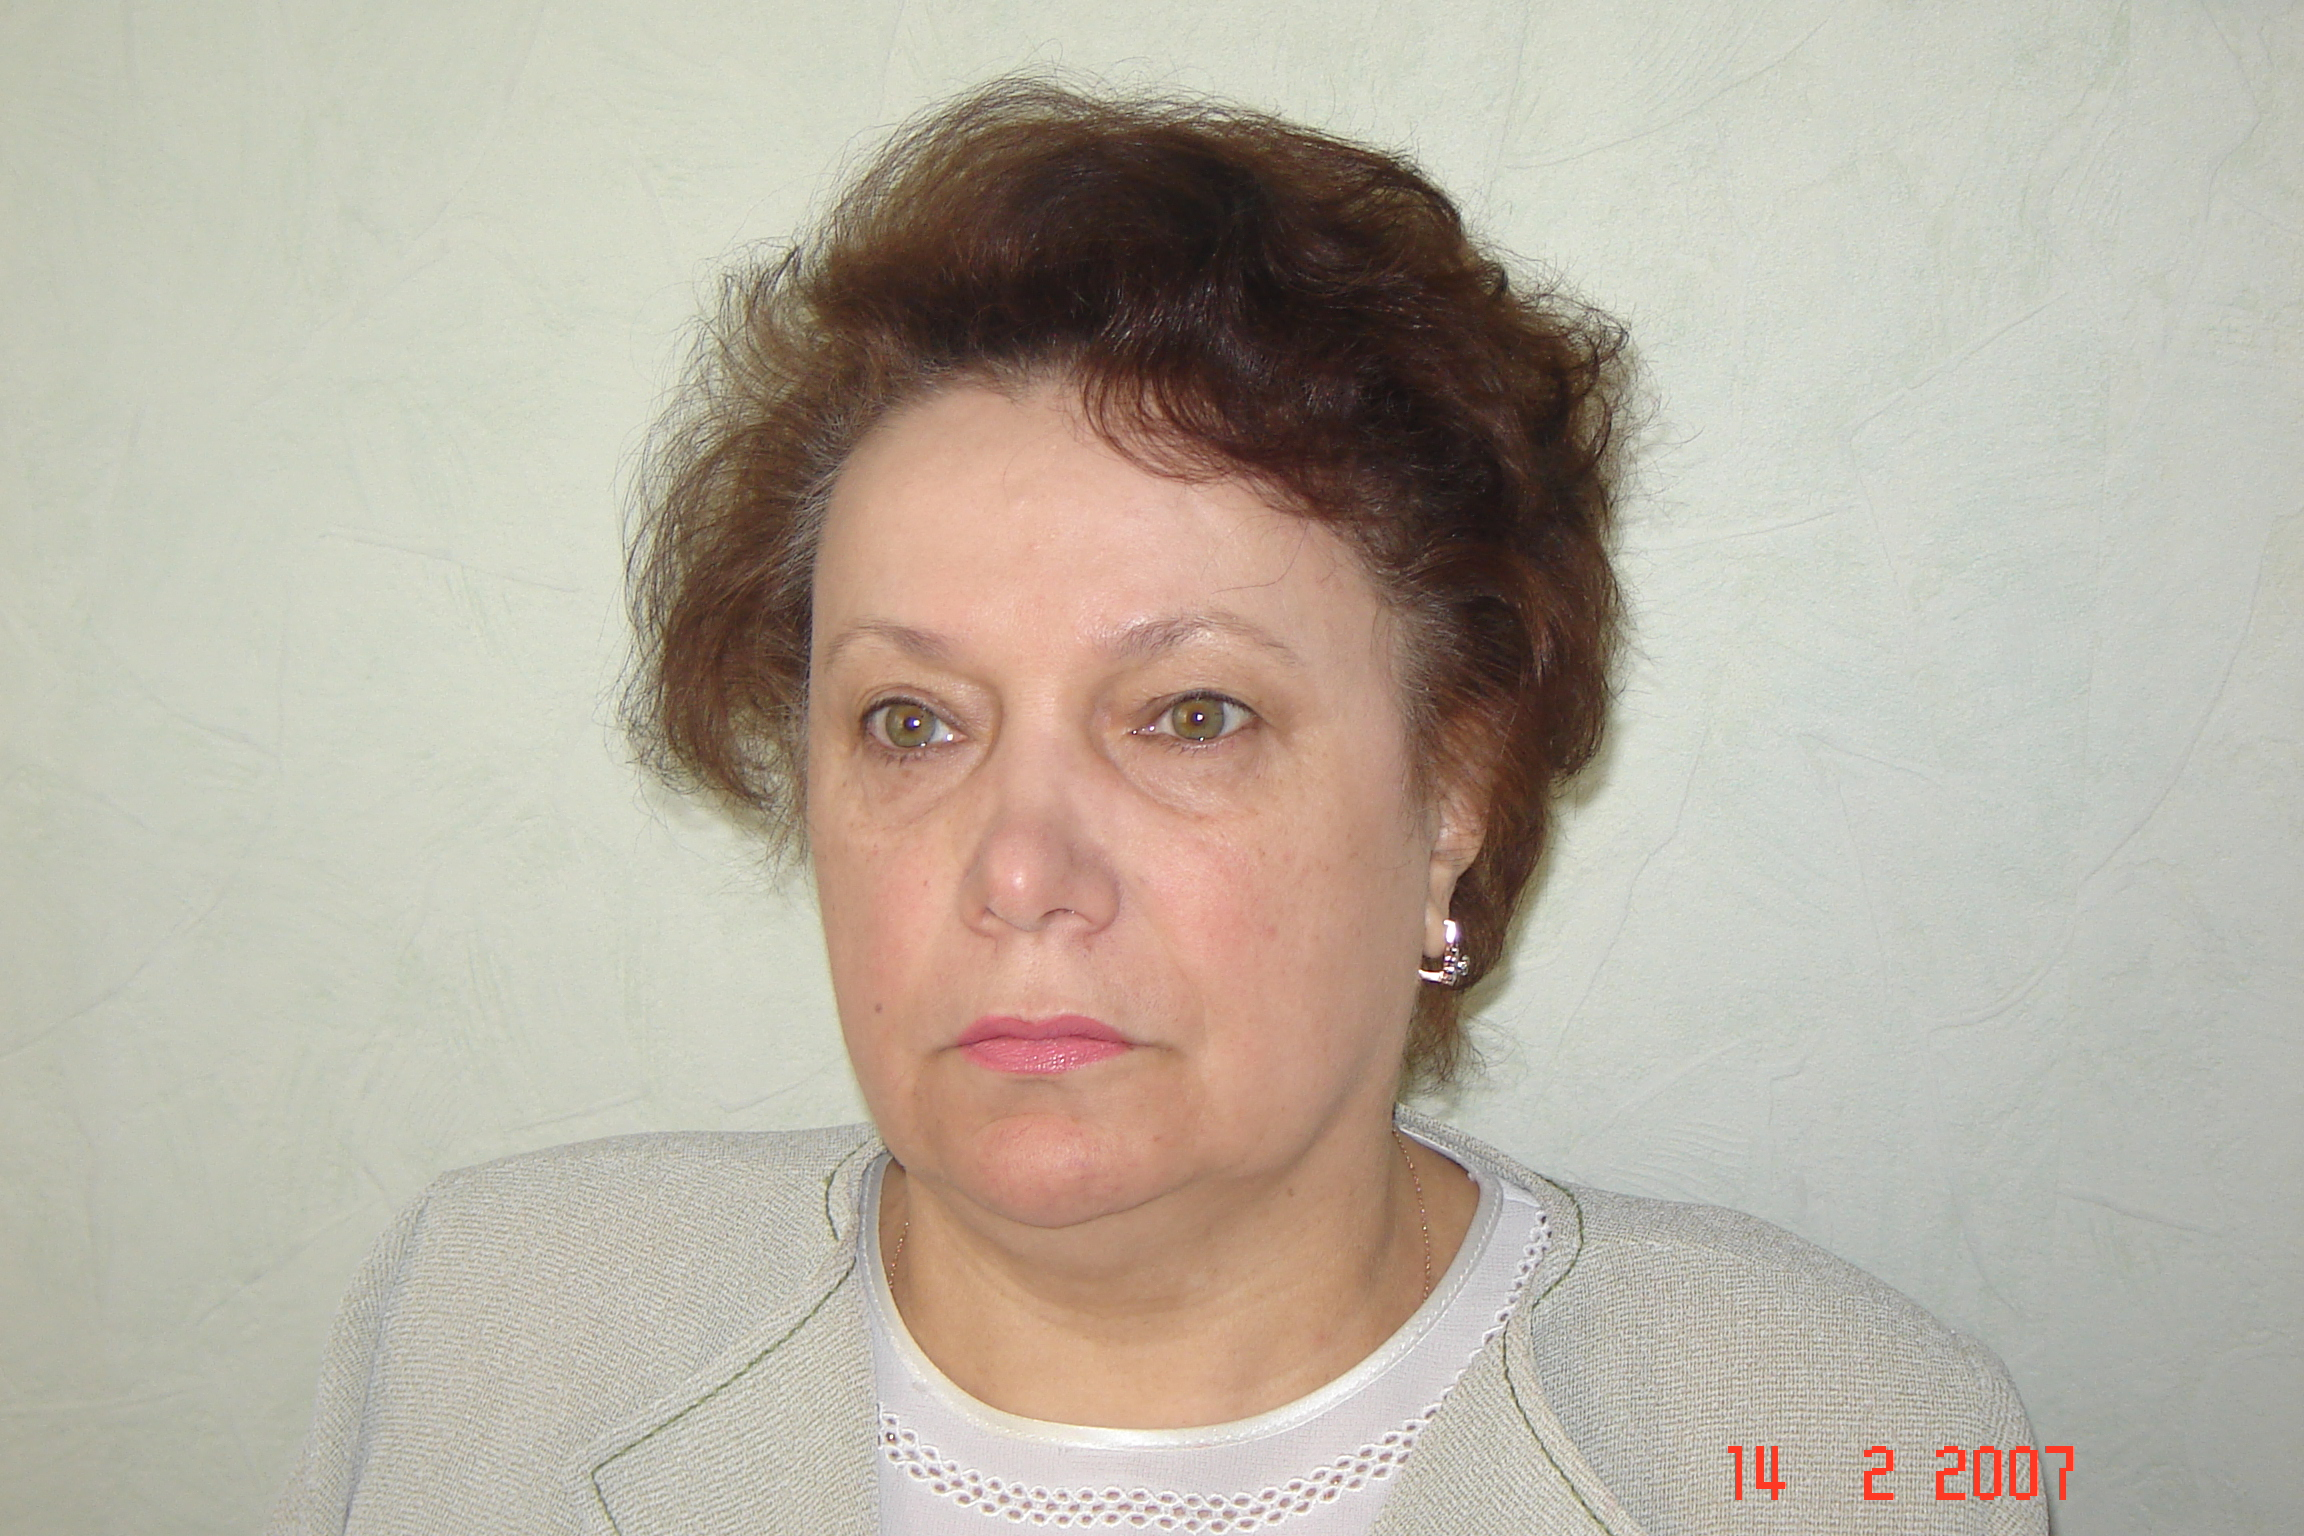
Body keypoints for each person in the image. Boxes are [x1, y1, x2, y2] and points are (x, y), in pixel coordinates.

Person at [270, 81, 2045, 1535]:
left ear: (1457, 786)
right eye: (910, 722)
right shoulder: (485, 1323)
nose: (1019, 872)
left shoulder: (1855, 1448)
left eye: (1192, 717)